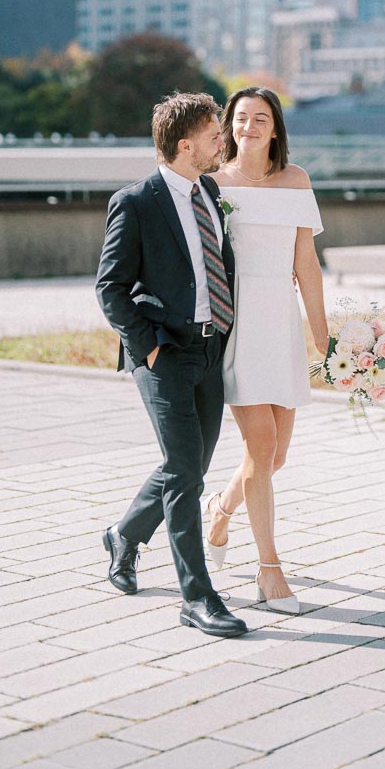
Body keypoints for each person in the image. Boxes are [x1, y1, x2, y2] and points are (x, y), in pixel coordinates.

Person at [95, 92, 247, 639]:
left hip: (210, 351)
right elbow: (109, 287)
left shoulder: (210, 191)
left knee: (188, 467)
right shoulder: (135, 202)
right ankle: (197, 597)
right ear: (185, 145)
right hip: (164, 354)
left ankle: (123, 535)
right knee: (184, 471)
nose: (221, 143)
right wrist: (149, 346)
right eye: (213, 135)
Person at [206, 86, 329, 613]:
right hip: (235, 323)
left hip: (280, 321)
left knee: (276, 455)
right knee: (260, 448)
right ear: (229, 126)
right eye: (240, 118)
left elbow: (307, 265)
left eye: (260, 119)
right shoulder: (212, 184)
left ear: (275, 128)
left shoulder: (296, 180)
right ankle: (269, 570)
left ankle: (222, 508)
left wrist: (324, 337)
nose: (249, 127)